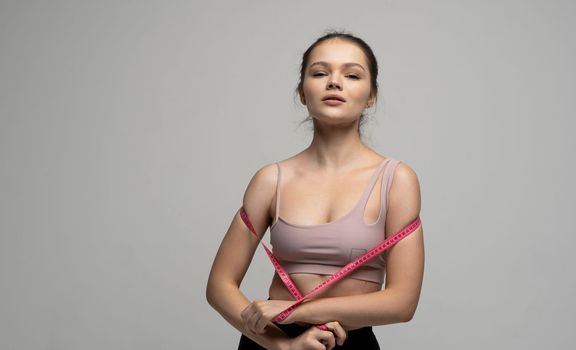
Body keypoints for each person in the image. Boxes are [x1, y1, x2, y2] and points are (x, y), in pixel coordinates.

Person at [206, 31, 425, 350]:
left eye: (352, 75)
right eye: (320, 73)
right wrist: (282, 345)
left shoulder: (396, 180)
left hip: (349, 343)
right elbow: (218, 285)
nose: (334, 82)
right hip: (271, 341)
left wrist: (299, 310)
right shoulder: (271, 180)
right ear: (301, 92)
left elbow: (402, 303)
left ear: (371, 95)